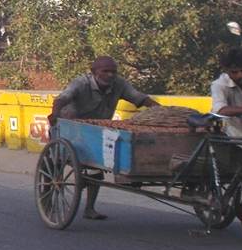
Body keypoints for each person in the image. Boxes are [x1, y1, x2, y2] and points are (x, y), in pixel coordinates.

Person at [48, 56, 161, 220]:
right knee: (54, 164)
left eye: (113, 72)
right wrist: (55, 114)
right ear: (94, 72)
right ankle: (47, 200)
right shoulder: (81, 83)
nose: (110, 75)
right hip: (72, 127)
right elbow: (63, 97)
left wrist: (161, 110)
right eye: (105, 71)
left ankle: (89, 209)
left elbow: (140, 98)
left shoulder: (119, 84)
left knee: (96, 169)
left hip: (98, 130)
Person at [210, 47, 242, 140]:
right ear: (226, 71)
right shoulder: (219, 85)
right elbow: (221, 110)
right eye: (234, 72)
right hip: (236, 137)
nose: (240, 75)